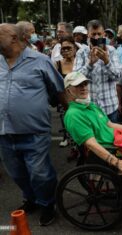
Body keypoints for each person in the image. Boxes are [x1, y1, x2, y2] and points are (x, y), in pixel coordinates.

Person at [0, 23, 65, 226]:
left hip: (35, 131)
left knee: (40, 172)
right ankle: (31, 199)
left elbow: (58, 89)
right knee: (16, 173)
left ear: (13, 37)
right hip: (4, 131)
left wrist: (71, 113)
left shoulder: (40, 61)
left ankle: (47, 203)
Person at [63, 71, 122, 173]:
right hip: (111, 149)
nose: (83, 88)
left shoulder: (91, 105)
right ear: (68, 90)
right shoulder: (73, 115)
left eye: (85, 84)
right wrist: (117, 162)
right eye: (78, 85)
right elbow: (91, 144)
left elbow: (110, 124)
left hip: (117, 141)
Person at [73, 20, 121, 122]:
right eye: (93, 34)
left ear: (104, 34)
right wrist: (90, 64)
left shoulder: (112, 51)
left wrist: (106, 61)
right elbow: (76, 78)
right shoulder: (82, 52)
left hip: (110, 107)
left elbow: (118, 76)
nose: (96, 37)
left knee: (111, 137)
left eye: (99, 34)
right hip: (89, 107)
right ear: (88, 35)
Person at [54, 36, 78, 148]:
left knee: (80, 130)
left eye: (68, 48)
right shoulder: (57, 64)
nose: (66, 51)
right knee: (67, 126)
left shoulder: (80, 62)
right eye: (63, 48)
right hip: (64, 102)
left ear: (75, 48)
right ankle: (71, 146)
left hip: (80, 102)